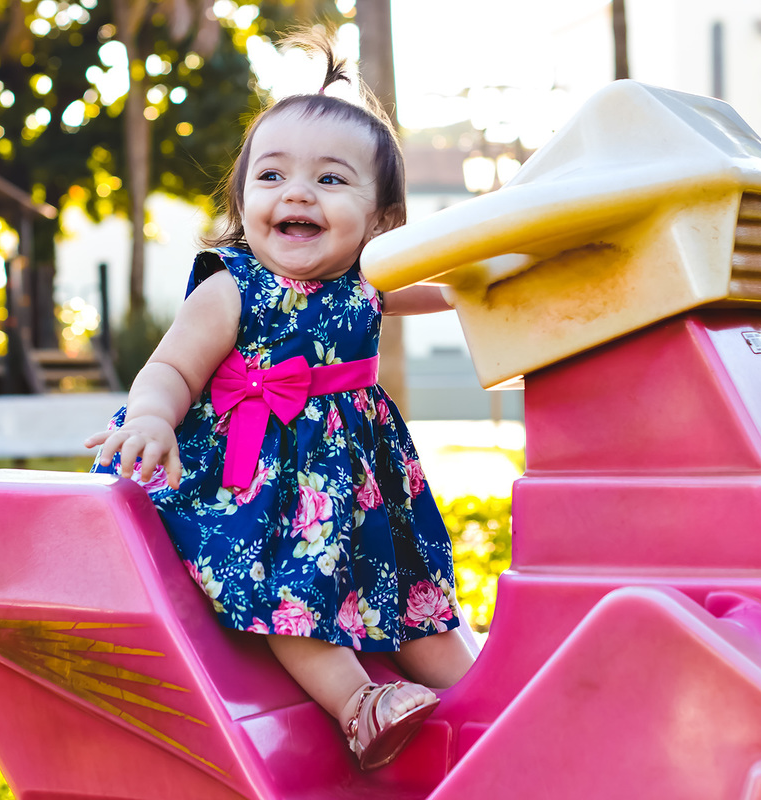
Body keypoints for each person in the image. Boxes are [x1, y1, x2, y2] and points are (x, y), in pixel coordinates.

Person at [84, 39, 476, 771]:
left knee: (409, 587)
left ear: (381, 219)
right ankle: (358, 706)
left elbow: (459, 284)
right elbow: (170, 365)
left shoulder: (369, 280)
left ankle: (490, 693)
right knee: (285, 590)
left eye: (330, 179)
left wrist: (515, 268)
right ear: (243, 201)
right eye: (272, 175)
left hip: (352, 488)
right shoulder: (231, 287)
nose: (296, 193)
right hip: (252, 487)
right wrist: (150, 418)